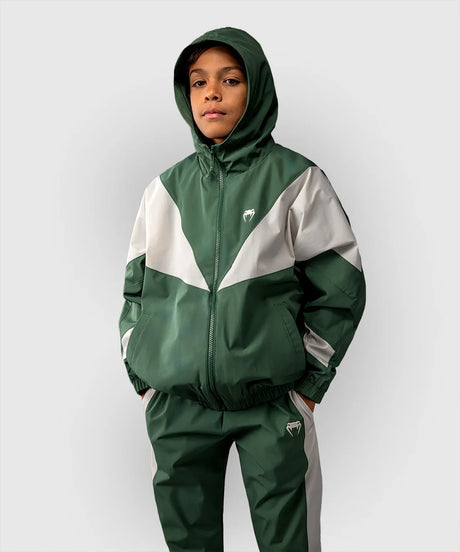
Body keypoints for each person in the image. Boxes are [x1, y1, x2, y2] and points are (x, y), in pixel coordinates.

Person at [118, 26, 366, 552]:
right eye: (198, 82)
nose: (211, 93)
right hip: (178, 405)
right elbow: (136, 289)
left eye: (230, 80)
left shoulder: (297, 181)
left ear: (256, 89)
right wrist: (144, 378)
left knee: (289, 544)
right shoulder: (164, 190)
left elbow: (340, 281)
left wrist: (308, 385)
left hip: (272, 403)